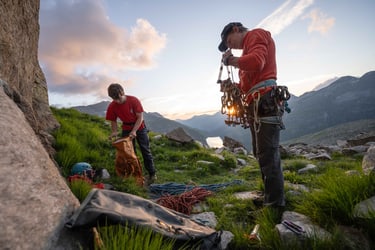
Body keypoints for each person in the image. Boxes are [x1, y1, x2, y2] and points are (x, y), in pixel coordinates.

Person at [218, 22, 285, 209]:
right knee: (261, 153)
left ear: (236, 30)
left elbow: (257, 62)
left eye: (229, 41)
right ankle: (269, 196)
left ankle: (274, 205)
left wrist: (232, 61)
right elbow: (249, 83)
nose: (230, 47)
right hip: (257, 104)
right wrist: (233, 87)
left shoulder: (255, 35)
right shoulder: (247, 51)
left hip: (264, 102)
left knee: (268, 154)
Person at [106, 83, 157, 185]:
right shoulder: (112, 106)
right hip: (126, 128)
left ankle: (152, 174)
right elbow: (113, 121)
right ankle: (135, 175)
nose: (117, 101)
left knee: (145, 150)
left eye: (119, 98)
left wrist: (134, 131)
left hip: (140, 127)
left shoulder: (134, 100)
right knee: (128, 153)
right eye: (115, 99)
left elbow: (140, 117)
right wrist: (114, 132)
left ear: (122, 92)